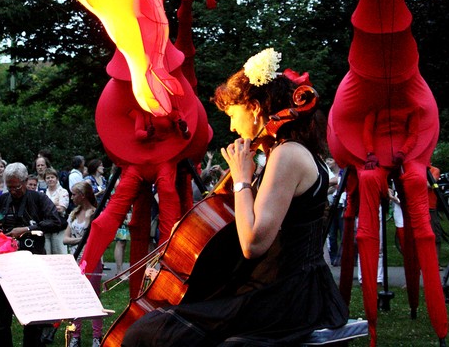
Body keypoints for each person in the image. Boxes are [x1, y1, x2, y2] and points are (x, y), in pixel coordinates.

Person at [122, 48, 348, 346]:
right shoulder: (290, 151)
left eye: (232, 114)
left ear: (254, 108)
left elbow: (253, 243)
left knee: (146, 332)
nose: (231, 126)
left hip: (287, 299)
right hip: (289, 289)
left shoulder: (287, 155)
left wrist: (242, 180)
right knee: (161, 323)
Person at [0, 163, 64, 347]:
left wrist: (28, 229)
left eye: (16, 186)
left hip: (31, 266)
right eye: (9, 186)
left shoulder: (38, 199)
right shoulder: (0, 201)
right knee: (3, 320)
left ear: (25, 182)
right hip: (4, 268)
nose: (13, 190)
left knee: (33, 317)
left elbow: (57, 222)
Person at [63, 181, 102, 347]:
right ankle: (75, 335)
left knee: (93, 298)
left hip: (91, 259)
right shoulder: (73, 214)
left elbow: (97, 238)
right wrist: (80, 240)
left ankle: (97, 336)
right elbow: (65, 239)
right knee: (75, 298)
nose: (72, 197)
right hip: (74, 259)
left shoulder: (95, 213)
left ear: (83, 195)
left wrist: (78, 241)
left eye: (74, 194)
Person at [43, 169, 69, 255]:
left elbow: (61, 209)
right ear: (45, 180)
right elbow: (40, 210)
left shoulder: (63, 192)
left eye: (52, 177)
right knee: (46, 254)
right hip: (46, 227)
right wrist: (55, 203)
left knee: (60, 253)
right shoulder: (42, 193)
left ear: (57, 179)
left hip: (59, 227)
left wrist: (47, 205)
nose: (50, 179)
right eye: (48, 178)